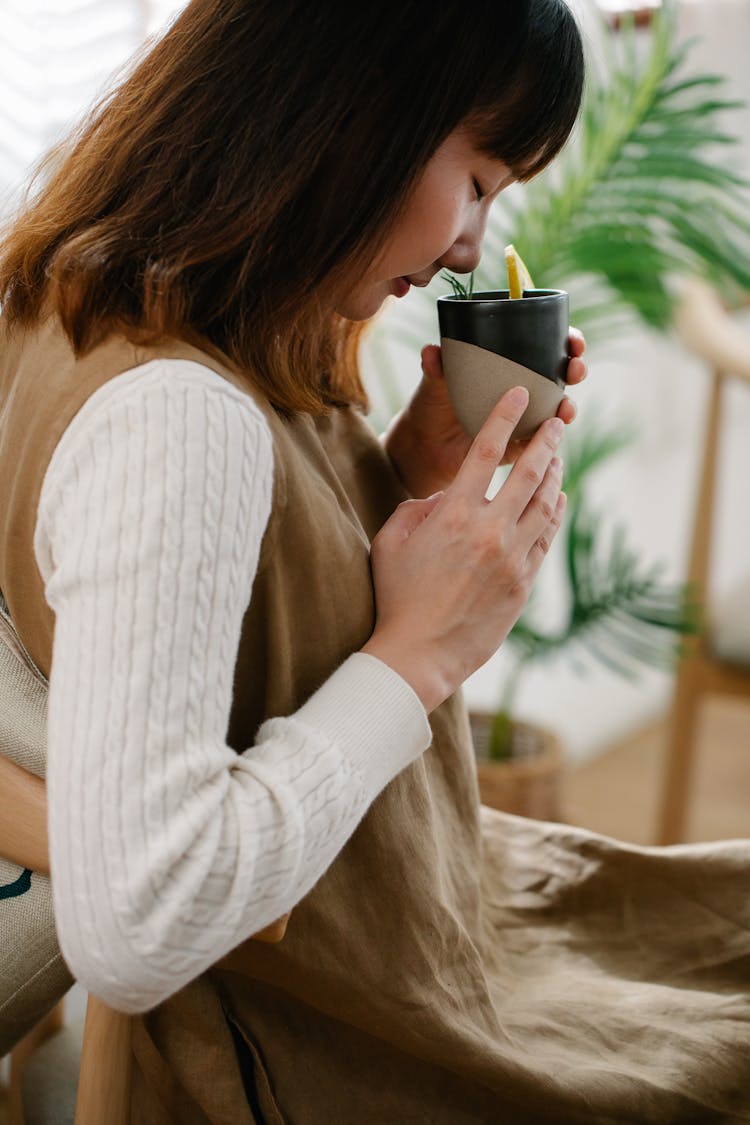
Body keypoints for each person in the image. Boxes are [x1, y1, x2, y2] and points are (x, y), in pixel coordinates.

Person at [0, 2, 748, 1122]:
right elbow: (141, 921)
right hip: (329, 1015)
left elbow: (226, 631)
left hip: (397, 919)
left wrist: (397, 478)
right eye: (482, 176)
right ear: (353, 118)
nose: (469, 242)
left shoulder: (94, 295)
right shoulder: (179, 416)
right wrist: (421, 654)